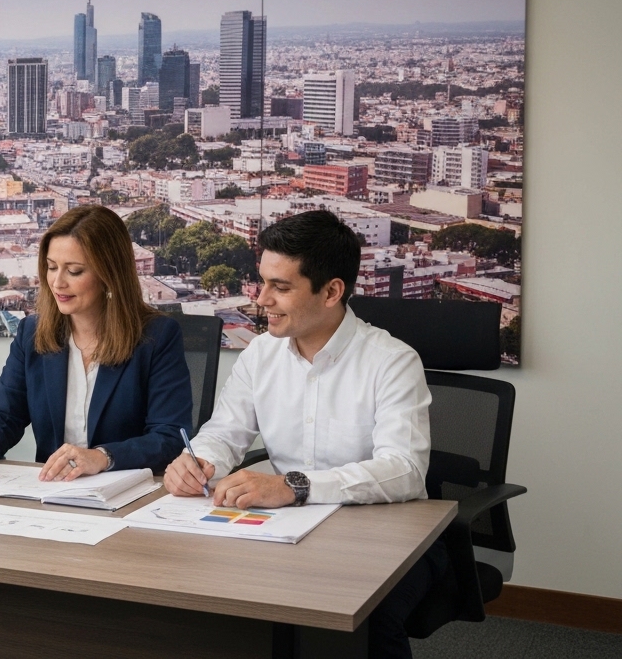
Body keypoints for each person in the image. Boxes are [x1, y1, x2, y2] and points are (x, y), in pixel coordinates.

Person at [163, 209, 439, 659]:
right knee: (202, 593)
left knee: (363, 621)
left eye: (281, 287)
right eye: (261, 281)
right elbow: (224, 431)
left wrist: (293, 486)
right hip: (286, 528)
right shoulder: (260, 355)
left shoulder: (392, 361)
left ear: (332, 291)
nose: (260, 298)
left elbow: (404, 471)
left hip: (382, 539)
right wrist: (200, 460)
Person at [0, 205, 193, 480]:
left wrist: (102, 457)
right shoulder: (32, 333)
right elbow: (4, 416)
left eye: (74, 271)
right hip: (54, 492)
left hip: (127, 494)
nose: (57, 282)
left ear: (109, 274)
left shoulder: (157, 337)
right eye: (51, 267)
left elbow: (168, 437)